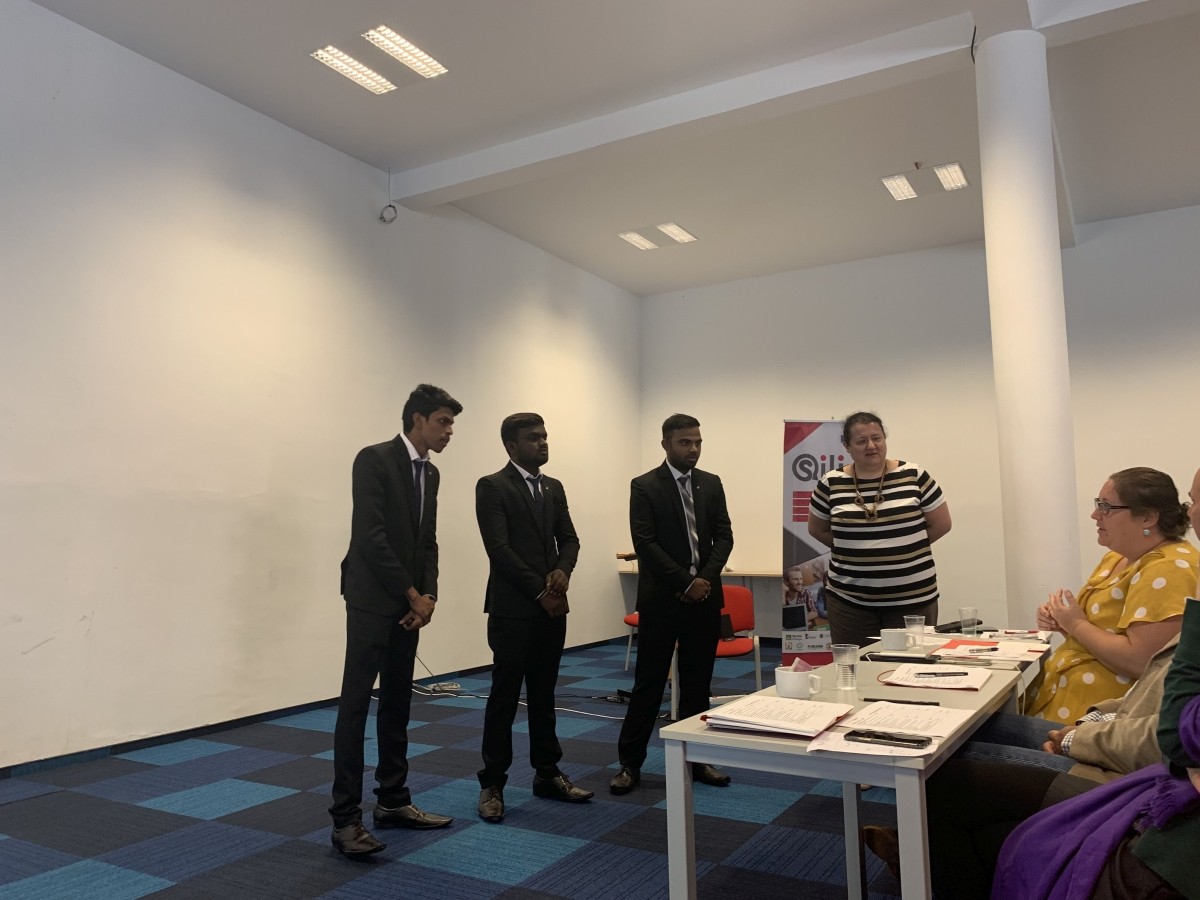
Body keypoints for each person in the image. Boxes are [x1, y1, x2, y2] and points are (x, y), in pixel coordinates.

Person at [328, 384, 462, 858]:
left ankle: (393, 800)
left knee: (398, 702)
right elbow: (371, 536)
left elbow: (428, 541)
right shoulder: (374, 459)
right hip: (371, 600)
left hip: (409, 606)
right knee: (356, 706)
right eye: (443, 421)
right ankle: (345, 819)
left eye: (452, 424)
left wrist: (428, 596)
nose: (449, 431)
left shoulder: (432, 473)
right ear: (418, 419)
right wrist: (411, 593)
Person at [993, 592, 1200, 899]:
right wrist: (1090, 722)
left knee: (951, 777)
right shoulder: (1125, 568)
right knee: (986, 731)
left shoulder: (1170, 573)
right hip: (1113, 742)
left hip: (1122, 773)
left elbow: (1168, 735)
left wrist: (1079, 739)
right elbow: (1145, 690)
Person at [474, 413, 590, 823]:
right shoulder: (492, 486)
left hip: (552, 608)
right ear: (511, 446)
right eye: (533, 438)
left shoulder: (553, 487)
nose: (543, 443)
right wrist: (541, 592)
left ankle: (547, 773)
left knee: (544, 694)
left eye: (544, 436)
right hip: (513, 610)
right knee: (504, 698)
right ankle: (492, 783)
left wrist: (563, 570)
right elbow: (499, 549)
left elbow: (570, 539)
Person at [610, 414, 735, 795]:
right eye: (684, 442)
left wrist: (702, 581)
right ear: (666, 444)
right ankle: (630, 763)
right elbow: (645, 543)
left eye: (697, 442)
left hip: (704, 600)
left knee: (698, 685)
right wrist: (685, 582)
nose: (693, 449)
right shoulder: (645, 485)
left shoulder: (711, 483)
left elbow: (724, 537)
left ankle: (698, 759)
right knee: (649, 684)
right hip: (662, 601)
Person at [1028, 466, 1196, 723]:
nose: (1095, 515)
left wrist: (1076, 624)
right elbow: (1102, 633)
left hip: (1097, 722)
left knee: (970, 735)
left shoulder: (1169, 568)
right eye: (1098, 504)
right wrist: (1063, 621)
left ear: (1148, 518)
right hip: (1064, 702)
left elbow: (1141, 661)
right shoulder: (1117, 558)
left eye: (1106, 507)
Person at [807, 411, 951, 647]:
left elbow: (942, 524)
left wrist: (905, 549)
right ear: (847, 446)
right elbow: (817, 529)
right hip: (850, 602)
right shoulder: (830, 483)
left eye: (877, 438)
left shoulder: (914, 475)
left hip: (913, 599)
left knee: (909, 665)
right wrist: (853, 550)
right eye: (861, 441)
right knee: (856, 665)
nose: (871, 446)